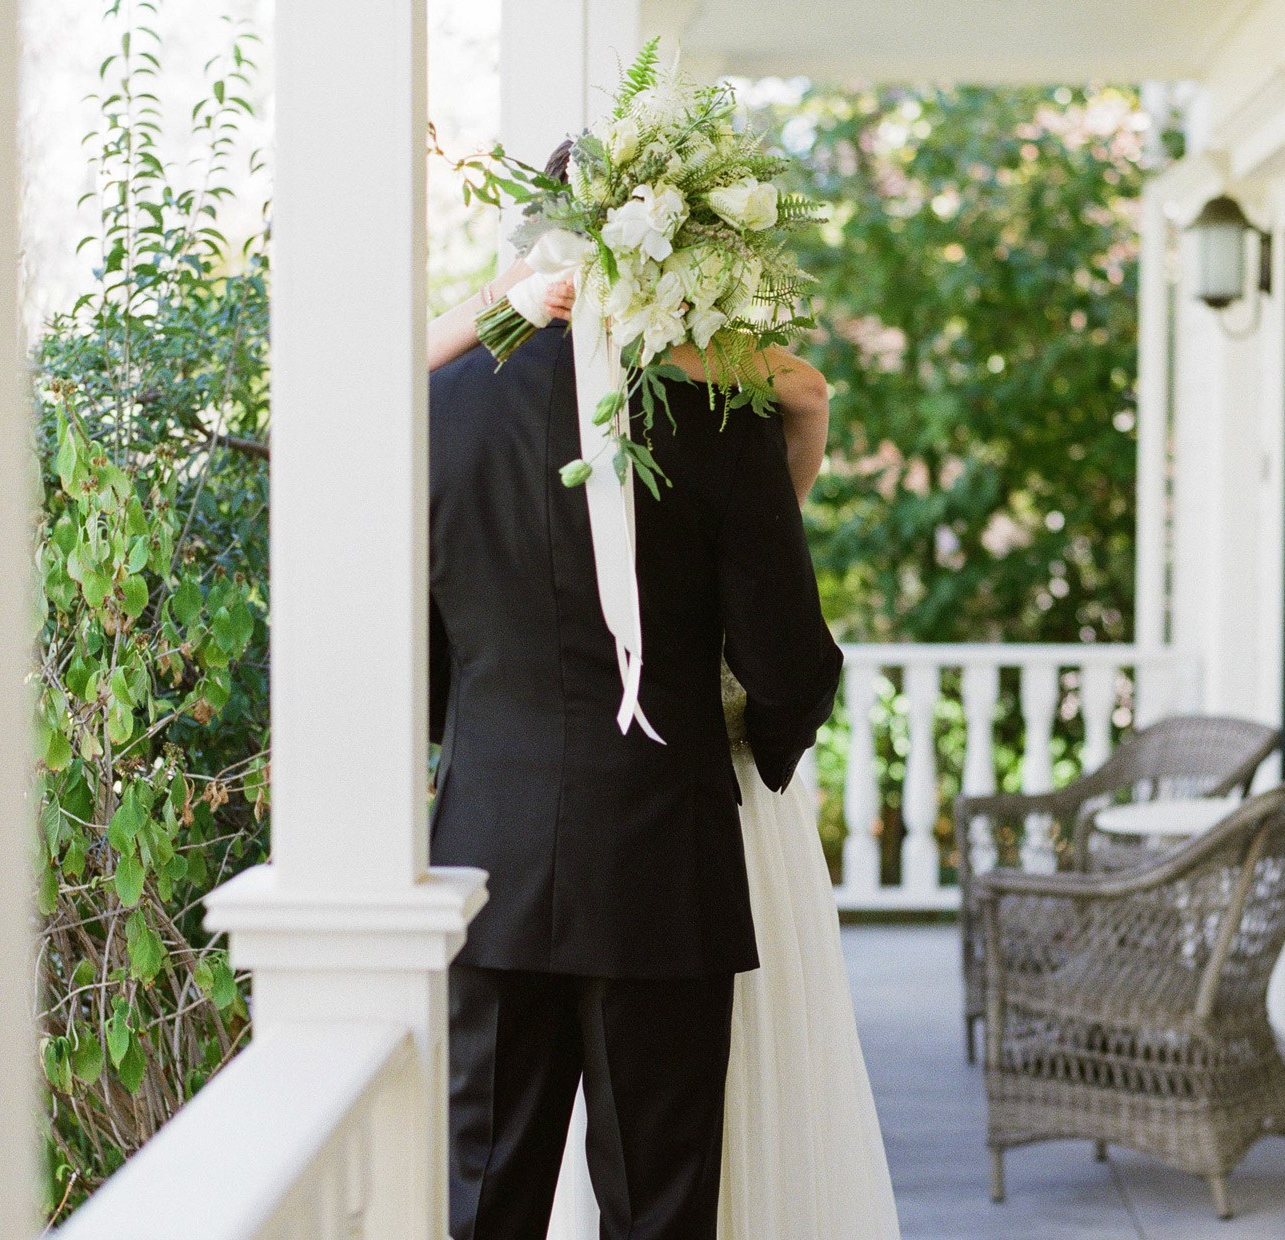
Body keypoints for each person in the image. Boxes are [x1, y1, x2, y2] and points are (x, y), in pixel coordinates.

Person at [427, 141, 900, 1240]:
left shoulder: (438, 410)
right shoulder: (721, 413)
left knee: (481, 1198)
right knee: (659, 1207)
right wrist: (745, 744)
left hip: (483, 860)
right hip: (659, 862)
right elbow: (789, 660)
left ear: (524, 245)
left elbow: (423, 657)